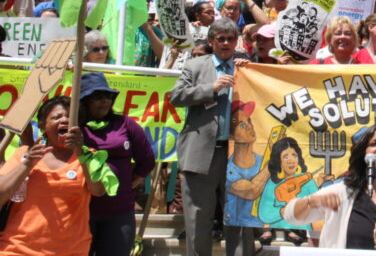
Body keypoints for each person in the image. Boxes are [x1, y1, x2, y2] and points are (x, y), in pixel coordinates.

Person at [282, 123, 376, 255]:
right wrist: (310, 201)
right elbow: (291, 216)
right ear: (363, 152)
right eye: (374, 143)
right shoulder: (341, 192)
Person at [169, 17, 251, 256]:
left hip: (238, 154)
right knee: (198, 217)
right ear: (212, 41)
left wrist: (250, 70)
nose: (226, 43)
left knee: (238, 217)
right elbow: (175, 97)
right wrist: (210, 89)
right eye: (220, 39)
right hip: (201, 152)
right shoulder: (195, 66)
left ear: (237, 41)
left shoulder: (246, 66)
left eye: (230, 39)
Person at [0, 96, 105, 254]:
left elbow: (98, 190)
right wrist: (27, 164)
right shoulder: (24, 154)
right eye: (57, 117)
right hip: (18, 249)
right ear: (43, 126)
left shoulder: (90, 157)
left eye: (71, 118)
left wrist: (80, 152)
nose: (64, 120)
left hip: (72, 250)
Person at [78, 72, 155, 255]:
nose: (105, 101)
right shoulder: (74, 128)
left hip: (119, 211)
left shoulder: (125, 124)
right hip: (81, 212)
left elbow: (147, 160)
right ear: (84, 101)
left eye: (108, 96)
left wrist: (131, 181)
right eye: (98, 96)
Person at [259, 137, 321, 229]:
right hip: (278, 234)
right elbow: (264, 214)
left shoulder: (308, 181)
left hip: (304, 234)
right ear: (278, 160)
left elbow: (319, 207)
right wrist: (282, 212)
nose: (291, 161)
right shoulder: (272, 183)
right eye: (286, 157)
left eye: (294, 155)